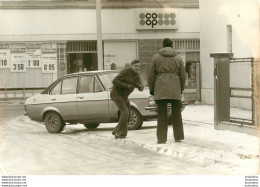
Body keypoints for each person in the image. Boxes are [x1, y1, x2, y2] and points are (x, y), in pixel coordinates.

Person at [148, 38, 186, 144]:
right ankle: (178, 136)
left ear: (162, 45)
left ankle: (161, 138)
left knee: (161, 114)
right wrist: (181, 88)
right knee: (177, 113)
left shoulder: (156, 57)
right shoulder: (178, 58)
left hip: (161, 87)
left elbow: (151, 75)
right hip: (175, 87)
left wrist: (152, 89)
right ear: (172, 46)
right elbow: (183, 75)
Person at [110, 59, 144, 138]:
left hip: (124, 96)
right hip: (116, 94)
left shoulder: (137, 75)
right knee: (125, 112)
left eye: (139, 66)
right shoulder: (125, 72)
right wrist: (127, 85)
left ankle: (118, 131)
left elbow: (141, 87)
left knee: (128, 116)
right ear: (131, 65)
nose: (137, 68)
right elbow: (115, 81)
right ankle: (119, 132)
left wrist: (139, 86)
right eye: (135, 66)